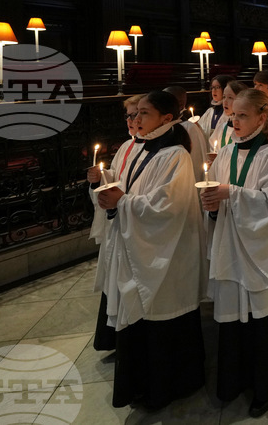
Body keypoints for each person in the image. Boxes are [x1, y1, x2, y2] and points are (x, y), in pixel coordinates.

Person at [94, 90, 206, 410]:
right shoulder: (141, 150)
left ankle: (170, 385)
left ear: (166, 119)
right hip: (139, 249)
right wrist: (105, 190)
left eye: (144, 113)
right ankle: (144, 385)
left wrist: (123, 202)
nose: (136, 119)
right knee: (142, 318)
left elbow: (168, 207)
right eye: (135, 113)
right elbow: (126, 189)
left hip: (166, 255)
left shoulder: (175, 156)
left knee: (163, 318)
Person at [200, 89, 268, 418]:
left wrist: (229, 193)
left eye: (243, 115)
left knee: (264, 318)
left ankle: (266, 384)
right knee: (234, 318)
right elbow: (219, 200)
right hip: (231, 247)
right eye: (233, 114)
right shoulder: (226, 152)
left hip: (263, 252)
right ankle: (234, 381)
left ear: (262, 119)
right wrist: (213, 205)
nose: (234, 120)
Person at [87, 93, 145, 351]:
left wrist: (121, 199)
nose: (132, 120)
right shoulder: (126, 146)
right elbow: (119, 178)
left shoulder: (153, 149)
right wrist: (99, 179)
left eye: (137, 115)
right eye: (129, 115)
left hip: (134, 227)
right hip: (118, 224)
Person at [164, 85, 208, 182]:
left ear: (180, 105)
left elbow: (197, 162)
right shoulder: (165, 127)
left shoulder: (189, 128)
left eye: (165, 101)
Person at [208, 80, 246, 152]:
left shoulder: (247, 129)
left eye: (230, 98)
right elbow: (213, 148)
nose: (225, 101)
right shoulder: (222, 127)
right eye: (224, 97)